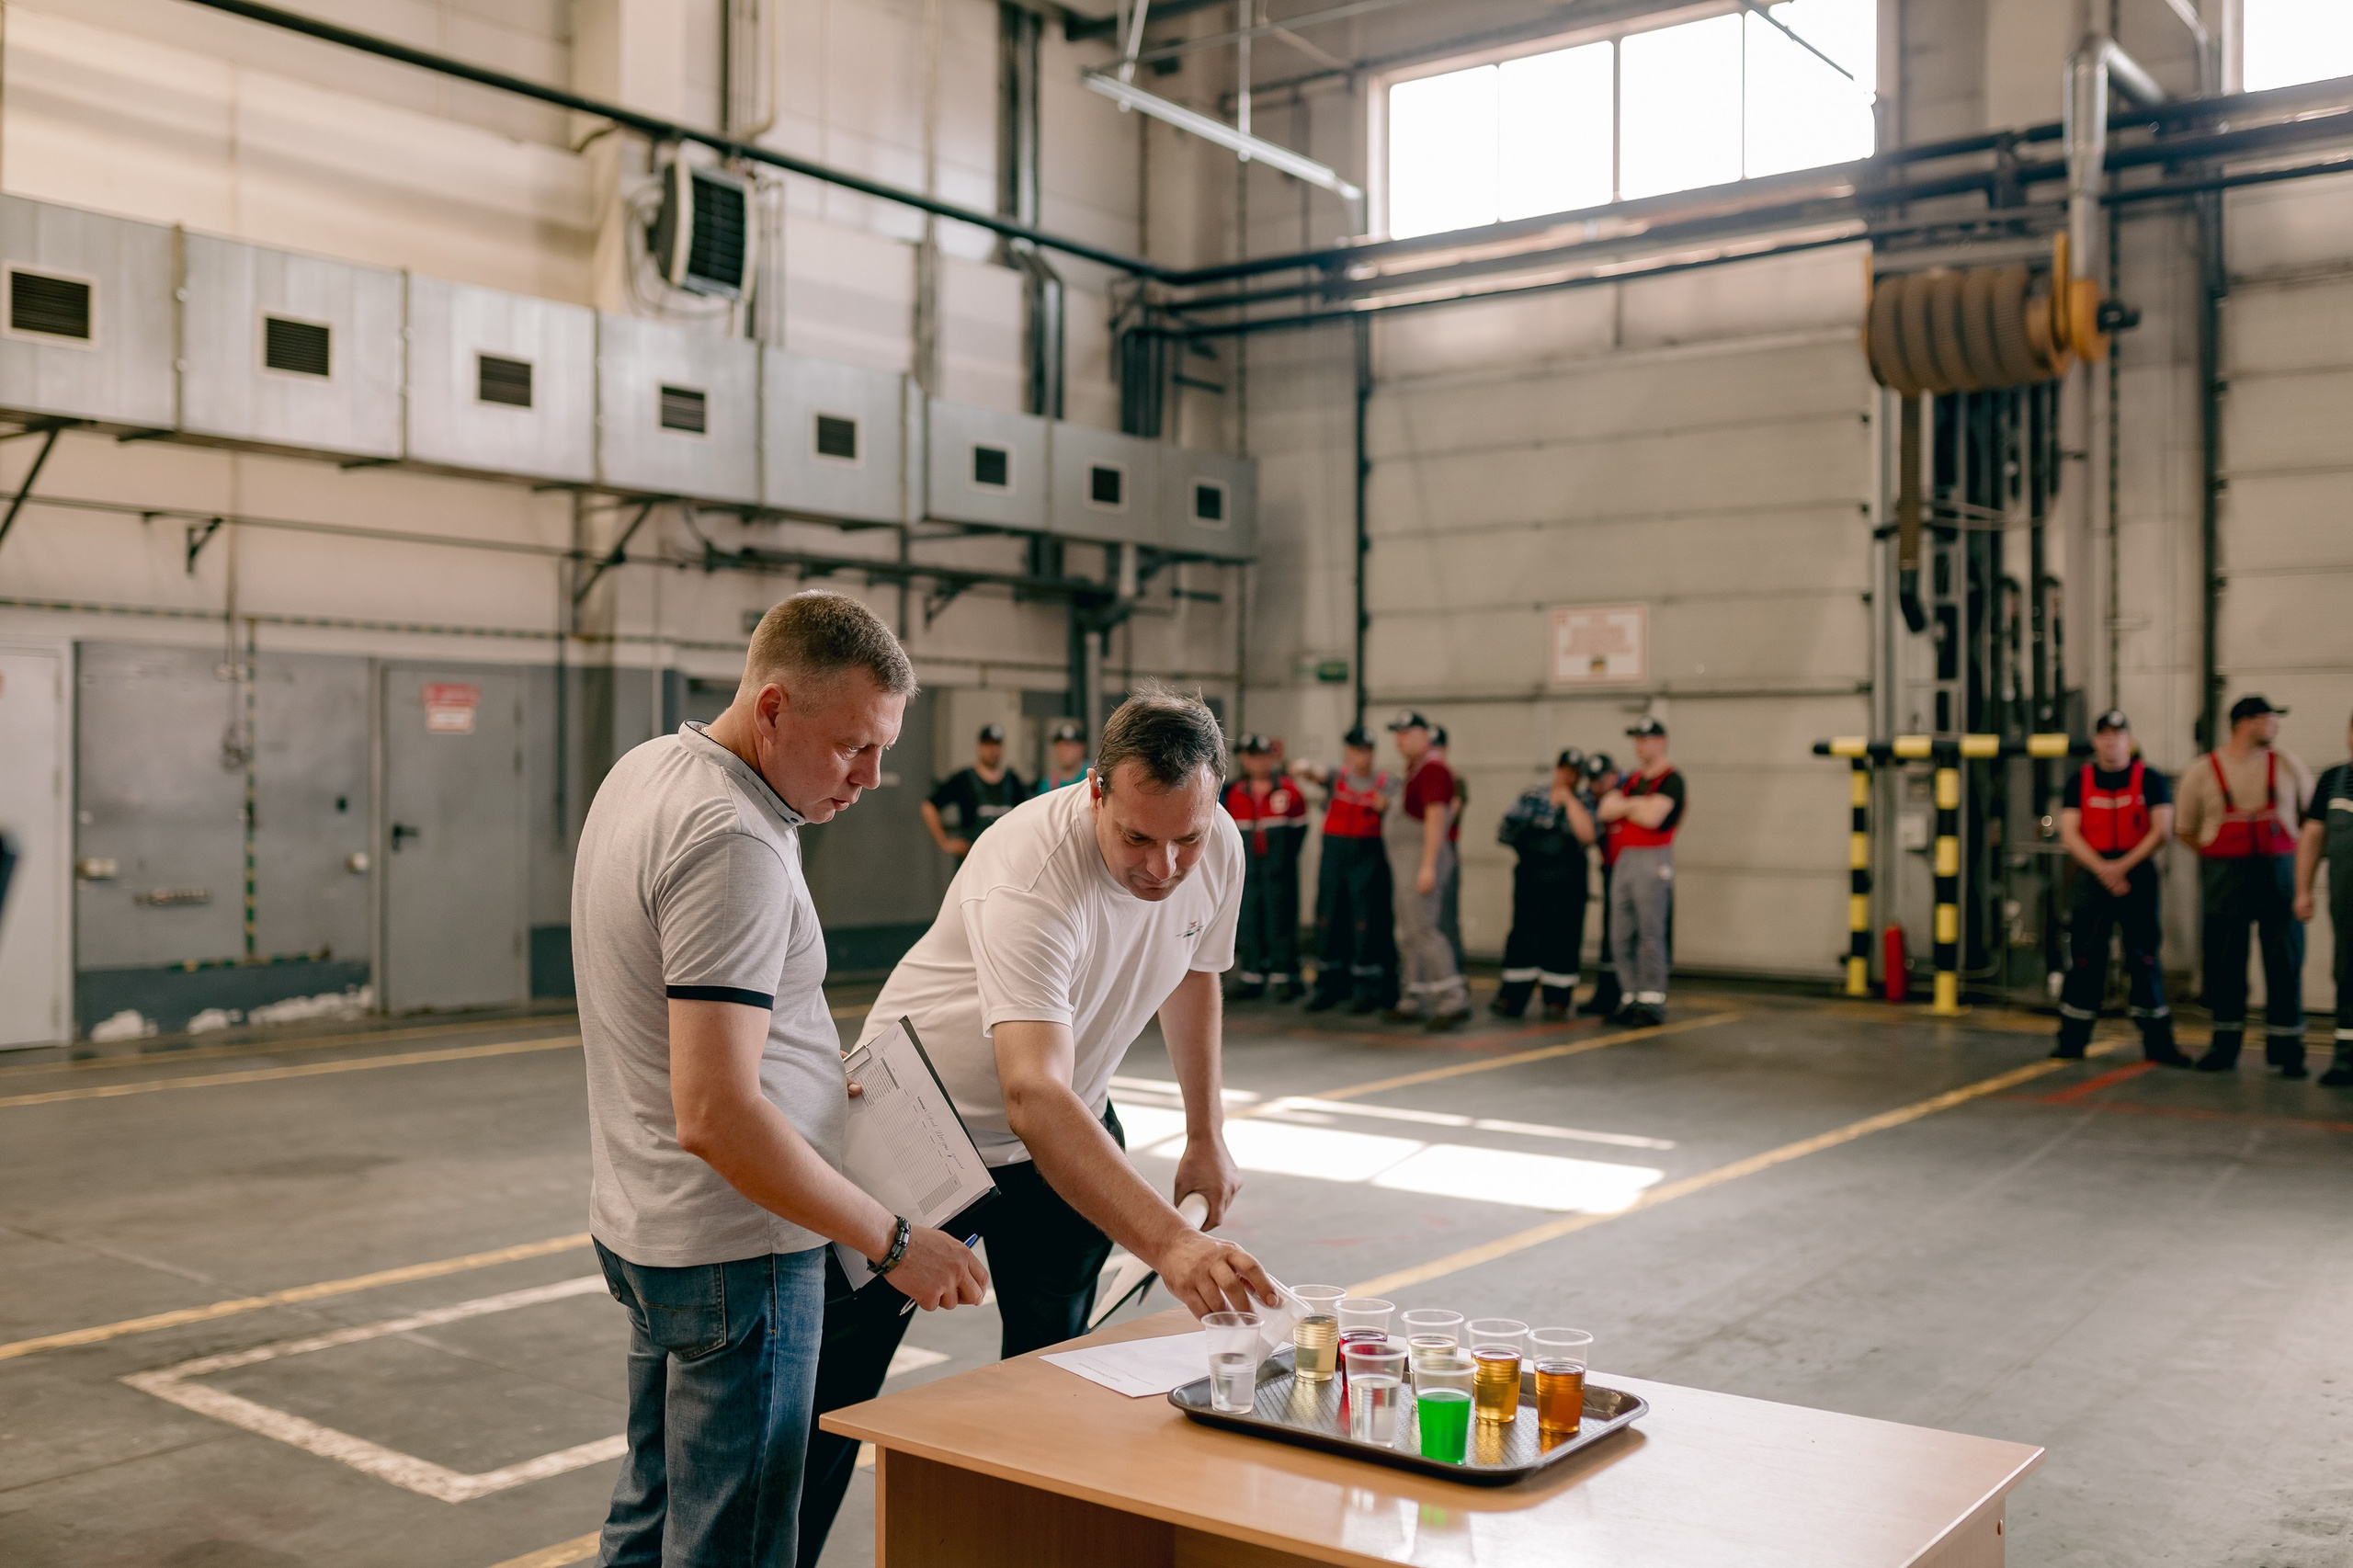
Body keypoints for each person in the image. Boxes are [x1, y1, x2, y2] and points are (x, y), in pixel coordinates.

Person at [799, 685, 1279, 1561]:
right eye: (1137, 838)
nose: (1165, 866)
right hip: (920, 1128)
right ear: (1094, 791)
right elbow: (1031, 1093)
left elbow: (1193, 971)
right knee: (832, 1394)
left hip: (1069, 1123)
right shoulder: (1031, 869)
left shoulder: (1214, 844)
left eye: (1186, 838)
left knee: (1057, 1375)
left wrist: (1206, 1132)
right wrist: (1173, 1244)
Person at [572, 592, 988, 1568]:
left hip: (650, 1222)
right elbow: (717, 1114)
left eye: (882, 748)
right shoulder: (734, 840)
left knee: (649, 1519)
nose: (872, 777)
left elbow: (681, 1016)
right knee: (736, 1545)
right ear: (771, 710)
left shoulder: (651, 769)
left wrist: (802, 1073)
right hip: (739, 1254)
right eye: (852, 746)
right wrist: (894, 1243)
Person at [2176, 695, 2314, 1076]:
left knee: (2285, 962)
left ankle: (2288, 1050)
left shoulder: (2289, 765)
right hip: (2226, 878)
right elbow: (2185, 830)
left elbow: (2310, 820)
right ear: (2245, 722)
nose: (2275, 726)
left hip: (2278, 875)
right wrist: (2217, 852)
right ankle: (2224, 1047)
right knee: (2225, 964)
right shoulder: (2202, 771)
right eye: (2269, 719)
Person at [2052, 711, 2190, 1065]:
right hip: (2092, 875)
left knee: (2144, 958)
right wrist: (2103, 869)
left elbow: (2162, 831)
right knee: (2085, 957)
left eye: (2118, 734)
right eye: (2104, 734)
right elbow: (2070, 833)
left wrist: (2122, 867)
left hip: (2137, 876)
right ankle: (2072, 1040)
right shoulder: (2079, 781)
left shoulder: (2150, 779)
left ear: (2129, 740)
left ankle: (2159, 1044)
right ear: (2096, 741)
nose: (2111, 740)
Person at [1292, 727, 1397, 1014]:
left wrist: (1387, 806)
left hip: (1368, 862)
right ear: (1347, 752)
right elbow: (1315, 773)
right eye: (1356, 750)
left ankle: (1367, 988)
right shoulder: (1336, 778)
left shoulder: (1386, 783)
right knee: (1328, 919)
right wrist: (1304, 767)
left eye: (1367, 750)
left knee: (1365, 923)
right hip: (1334, 860)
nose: (1362, 756)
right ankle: (1329, 985)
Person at [1494, 748, 1597, 1020]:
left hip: (1567, 885)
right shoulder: (1532, 797)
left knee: (1563, 938)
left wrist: (1569, 802)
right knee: (1524, 937)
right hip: (1531, 881)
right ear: (1556, 769)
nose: (1568, 777)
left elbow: (1588, 835)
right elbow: (1505, 830)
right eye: (1564, 770)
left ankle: (1557, 999)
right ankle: (1512, 996)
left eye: (1574, 773)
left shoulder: (1585, 801)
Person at [1383, 710, 1470, 1030]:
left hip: (1421, 864)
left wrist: (1428, 867)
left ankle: (1453, 999)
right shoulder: (1414, 769)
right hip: (1407, 867)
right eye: (1397, 733)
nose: (1400, 739)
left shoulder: (1433, 769)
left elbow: (1436, 819)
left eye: (1407, 732)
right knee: (1408, 933)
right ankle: (1413, 996)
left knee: (1425, 930)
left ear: (1424, 734)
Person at [1597, 718, 1685, 1028]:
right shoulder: (1632, 779)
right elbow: (1605, 809)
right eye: (1636, 739)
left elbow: (1652, 818)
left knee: (1650, 932)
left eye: (1645, 739)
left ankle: (1651, 1000)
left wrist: (1627, 806)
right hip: (1624, 859)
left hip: (1652, 858)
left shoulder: (1672, 780)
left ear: (1661, 741)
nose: (1639, 745)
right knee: (1620, 934)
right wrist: (1638, 804)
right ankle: (1630, 996)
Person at [1222, 735, 1309, 1001]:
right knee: (1249, 920)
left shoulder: (1288, 792)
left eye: (1259, 756)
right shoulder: (1236, 793)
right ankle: (1252, 975)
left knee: (1280, 920)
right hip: (1249, 872)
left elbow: (1299, 830)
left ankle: (1284, 977)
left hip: (1278, 871)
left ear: (1271, 758)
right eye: (1249, 757)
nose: (1254, 762)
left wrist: (1281, 860)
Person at [2295, 709, 2353, 1087]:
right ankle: (2347, 1059)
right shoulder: (2334, 780)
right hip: (2346, 904)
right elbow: (2312, 837)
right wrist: (2303, 890)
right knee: (2346, 973)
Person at [923, 723, 1027, 859]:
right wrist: (945, 842)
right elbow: (929, 806)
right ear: (979, 746)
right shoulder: (963, 779)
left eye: (996, 745)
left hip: (1005, 859)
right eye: (987, 744)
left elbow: (1027, 813)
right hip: (972, 859)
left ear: (1002, 747)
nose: (992, 750)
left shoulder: (1013, 780)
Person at [1577, 753, 1624, 1019]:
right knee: (1610, 932)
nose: (1598, 786)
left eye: (1603, 779)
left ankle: (1629, 994)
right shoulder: (1591, 798)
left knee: (1628, 932)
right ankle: (1607, 994)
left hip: (1630, 867)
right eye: (1593, 780)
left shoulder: (1628, 790)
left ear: (1614, 774)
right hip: (1609, 868)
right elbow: (1591, 832)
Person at [1431, 724, 1469, 971]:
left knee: (1446, 916)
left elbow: (1445, 819)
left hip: (1444, 850)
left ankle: (1454, 973)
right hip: (1423, 852)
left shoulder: (1453, 780)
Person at [1035, 718, 1090, 794]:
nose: (1063, 751)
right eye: (1059, 746)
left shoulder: (1094, 776)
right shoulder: (1048, 784)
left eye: (1068, 745)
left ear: (1081, 748)